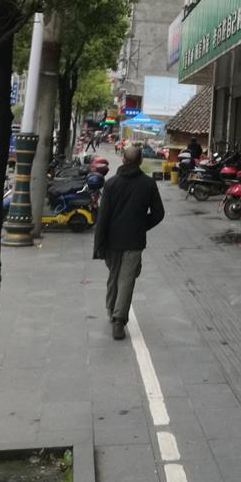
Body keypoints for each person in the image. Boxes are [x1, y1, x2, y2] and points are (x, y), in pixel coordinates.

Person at [92, 142, 164, 339]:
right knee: (127, 279)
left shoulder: (111, 184)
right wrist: (142, 225)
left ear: (123, 159)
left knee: (114, 276)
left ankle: (113, 313)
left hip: (112, 240)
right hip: (135, 239)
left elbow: (102, 218)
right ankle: (119, 319)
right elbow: (158, 213)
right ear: (141, 160)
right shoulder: (148, 184)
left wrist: (98, 245)